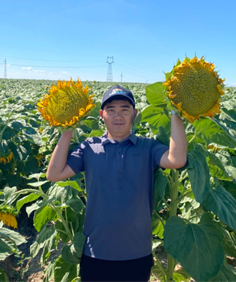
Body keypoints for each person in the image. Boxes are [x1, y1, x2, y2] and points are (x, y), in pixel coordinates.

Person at [46, 84, 187, 282]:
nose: (117, 116)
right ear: (102, 115)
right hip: (96, 251)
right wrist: (68, 127)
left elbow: (176, 160)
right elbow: (54, 174)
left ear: (135, 114)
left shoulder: (148, 147)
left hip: (137, 252)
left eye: (124, 110)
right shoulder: (89, 147)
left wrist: (176, 111)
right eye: (111, 110)